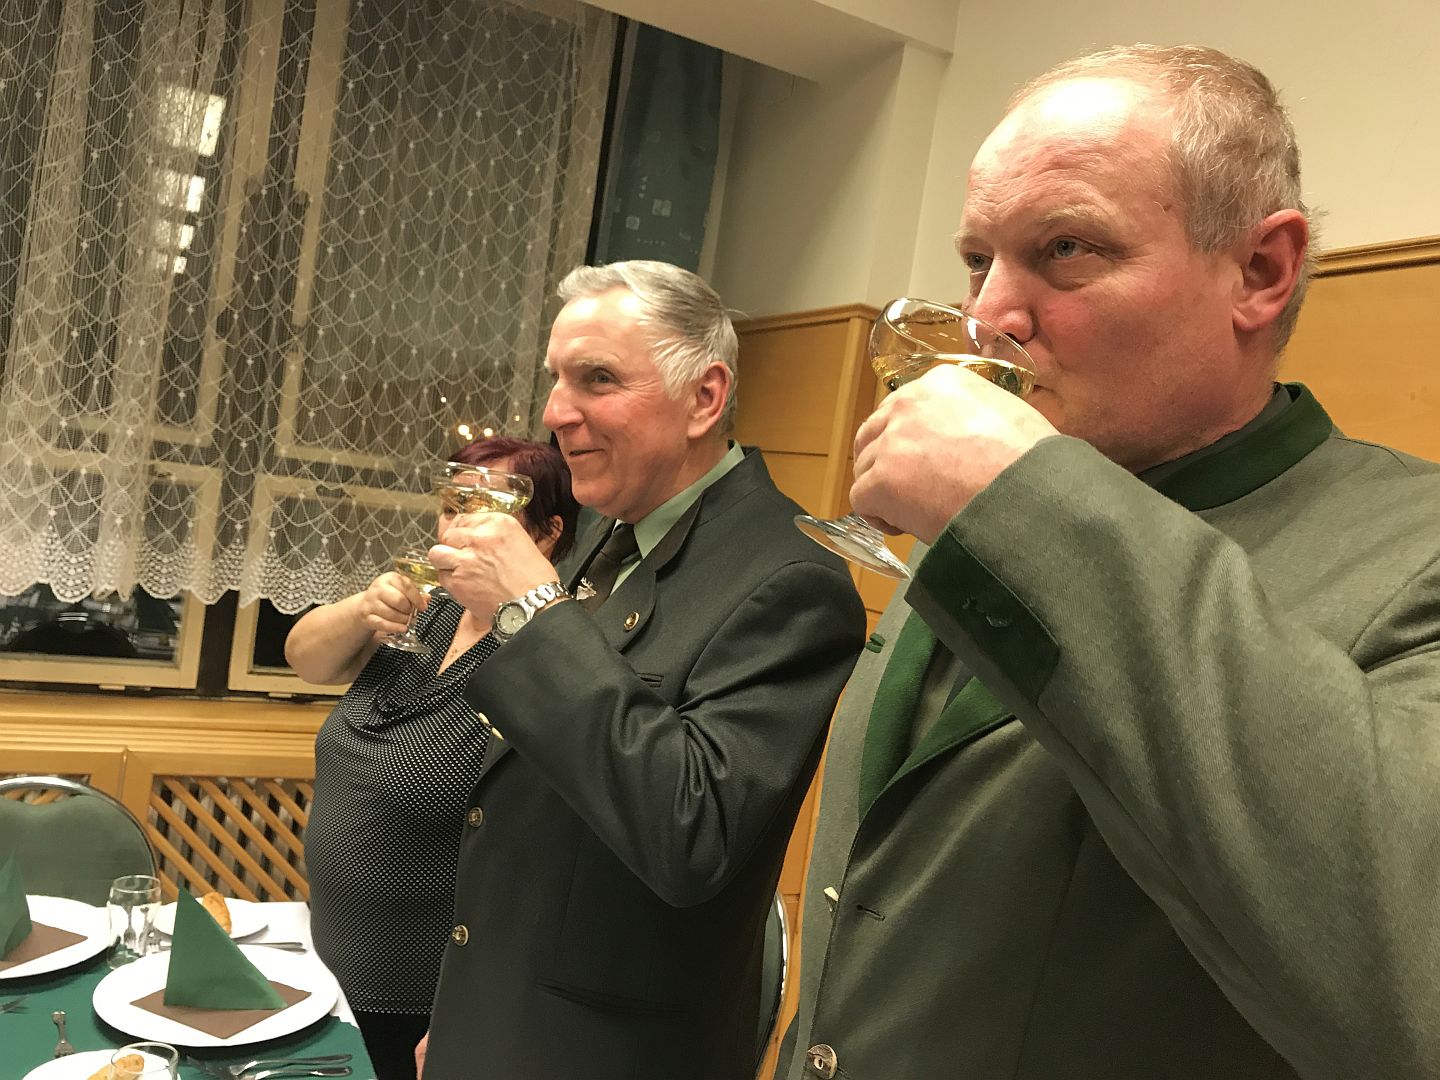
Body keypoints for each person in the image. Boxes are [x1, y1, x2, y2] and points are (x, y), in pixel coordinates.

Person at [781, 44, 1440, 1080]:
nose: (989, 316)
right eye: (977, 260)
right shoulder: (985, 518)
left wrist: (1029, 501)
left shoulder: (1415, 552)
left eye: (1066, 248)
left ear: (1261, 273)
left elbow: (1403, 975)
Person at [417, 260, 866, 1080]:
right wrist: (466, 1012)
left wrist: (532, 613)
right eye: (556, 378)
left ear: (704, 397)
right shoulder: (605, 530)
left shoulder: (792, 578)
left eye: (597, 379)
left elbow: (690, 832)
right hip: (500, 1020)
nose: (556, 412)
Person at [292, 436, 579, 1080]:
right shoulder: (426, 609)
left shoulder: (546, 648)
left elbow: (540, 855)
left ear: (546, 534)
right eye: (452, 506)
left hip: (426, 993)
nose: (458, 527)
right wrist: (362, 609)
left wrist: (475, 1011)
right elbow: (305, 659)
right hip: (331, 952)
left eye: (487, 510)